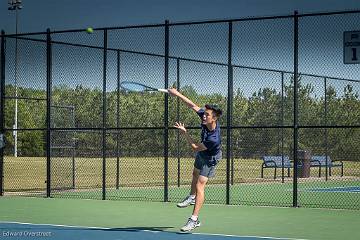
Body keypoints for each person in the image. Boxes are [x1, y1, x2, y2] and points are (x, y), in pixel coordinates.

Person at [168, 88, 222, 232]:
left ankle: (194, 220)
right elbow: (192, 104)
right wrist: (177, 94)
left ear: (214, 118)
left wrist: (184, 133)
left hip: (210, 157)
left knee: (200, 185)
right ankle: (192, 197)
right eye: (204, 113)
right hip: (202, 154)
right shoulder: (204, 117)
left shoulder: (213, 139)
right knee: (194, 174)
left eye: (207, 115)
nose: (204, 116)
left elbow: (194, 147)